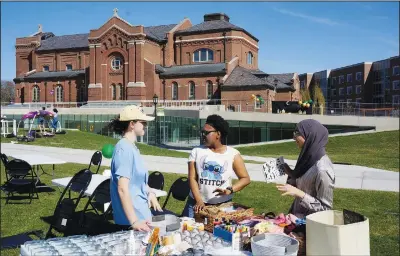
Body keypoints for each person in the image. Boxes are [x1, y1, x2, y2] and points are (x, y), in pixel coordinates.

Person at [183, 114, 251, 217]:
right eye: (202, 132)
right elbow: (192, 178)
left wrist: (230, 189)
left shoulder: (233, 154)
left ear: (218, 134)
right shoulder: (196, 151)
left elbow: (245, 178)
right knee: (188, 230)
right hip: (196, 204)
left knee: (218, 233)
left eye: (206, 132)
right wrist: (199, 200)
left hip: (222, 207)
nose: (203, 135)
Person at [109, 105, 163, 231]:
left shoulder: (131, 147)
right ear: (132, 124)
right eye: (142, 122)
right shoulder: (124, 149)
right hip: (132, 223)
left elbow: (137, 182)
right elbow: (122, 188)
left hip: (142, 217)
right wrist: (134, 222)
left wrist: (150, 192)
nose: (146, 125)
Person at [276, 119, 335, 219]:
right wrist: (289, 171)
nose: (294, 137)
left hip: (311, 226)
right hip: (296, 219)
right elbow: (303, 182)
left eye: (297, 133)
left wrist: (299, 193)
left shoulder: (323, 170)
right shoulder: (308, 158)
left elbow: (326, 210)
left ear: (310, 135)